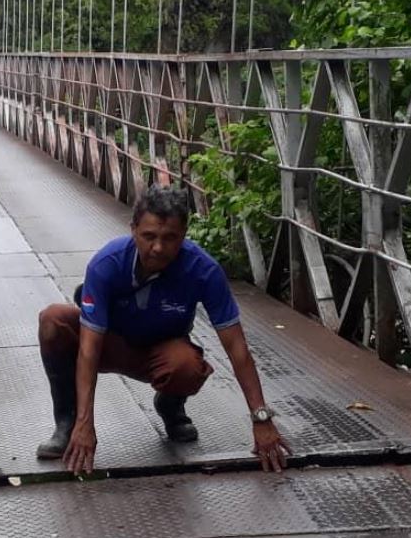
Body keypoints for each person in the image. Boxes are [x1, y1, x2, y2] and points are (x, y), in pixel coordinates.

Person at [35, 184, 291, 474]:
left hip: (161, 350)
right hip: (111, 342)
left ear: (184, 235)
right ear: (133, 229)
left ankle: (170, 407)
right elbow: (89, 349)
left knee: (188, 366)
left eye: (170, 238)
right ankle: (66, 423)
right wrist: (85, 424)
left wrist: (261, 418)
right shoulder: (107, 264)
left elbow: (236, 347)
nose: (157, 247)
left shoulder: (203, 270)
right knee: (53, 319)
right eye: (149, 237)